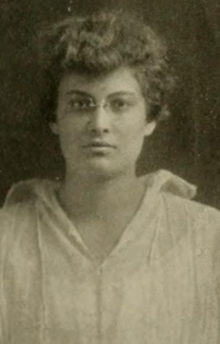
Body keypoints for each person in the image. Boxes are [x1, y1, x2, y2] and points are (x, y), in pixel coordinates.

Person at [0, 10, 220, 344]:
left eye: (119, 104)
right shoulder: (6, 239)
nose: (99, 123)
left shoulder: (208, 238)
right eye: (80, 103)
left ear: (150, 119)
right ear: (54, 119)